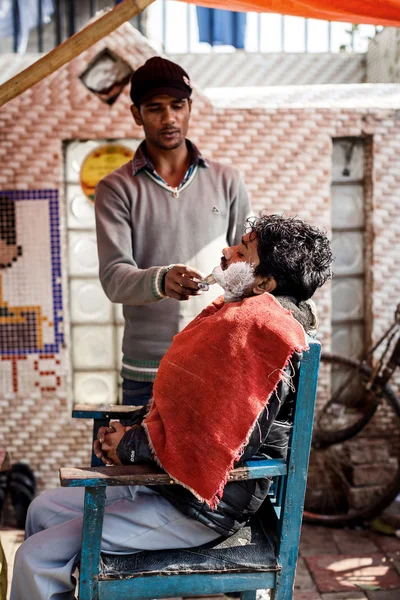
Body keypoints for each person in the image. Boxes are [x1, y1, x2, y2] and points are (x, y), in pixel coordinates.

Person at [11, 214, 333, 600]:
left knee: (35, 557)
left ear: (263, 283)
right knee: (41, 509)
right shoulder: (250, 317)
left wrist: (128, 445)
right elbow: (191, 410)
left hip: (199, 508)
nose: (226, 253)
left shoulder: (255, 331)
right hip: (174, 488)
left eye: (242, 250)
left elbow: (211, 443)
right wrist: (131, 430)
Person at [95, 56, 251, 406]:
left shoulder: (228, 181)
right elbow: (113, 276)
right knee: (137, 458)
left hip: (216, 358)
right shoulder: (115, 188)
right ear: (137, 114)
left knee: (214, 461)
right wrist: (161, 279)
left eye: (177, 106)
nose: (169, 119)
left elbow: (250, 262)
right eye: (155, 109)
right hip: (147, 370)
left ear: (190, 107)